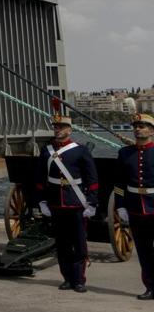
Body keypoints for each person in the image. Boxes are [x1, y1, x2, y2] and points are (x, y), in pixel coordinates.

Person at [34, 103, 97, 292]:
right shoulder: (46, 152)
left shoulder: (80, 150)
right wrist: (41, 201)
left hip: (76, 203)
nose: (57, 130)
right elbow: (39, 179)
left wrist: (92, 202)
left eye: (61, 127)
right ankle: (67, 278)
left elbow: (92, 179)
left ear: (69, 129)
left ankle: (79, 279)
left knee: (78, 243)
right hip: (55, 203)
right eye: (55, 127)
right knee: (62, 244)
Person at [116, 112, 154, 300]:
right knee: (144, 252)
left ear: (151, 131)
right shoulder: (125, 153)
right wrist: (120, 205)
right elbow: (120, 183)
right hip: (135, 209)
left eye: (142, 126)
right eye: (136, 126)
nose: (138, 129)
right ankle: (150, 287)